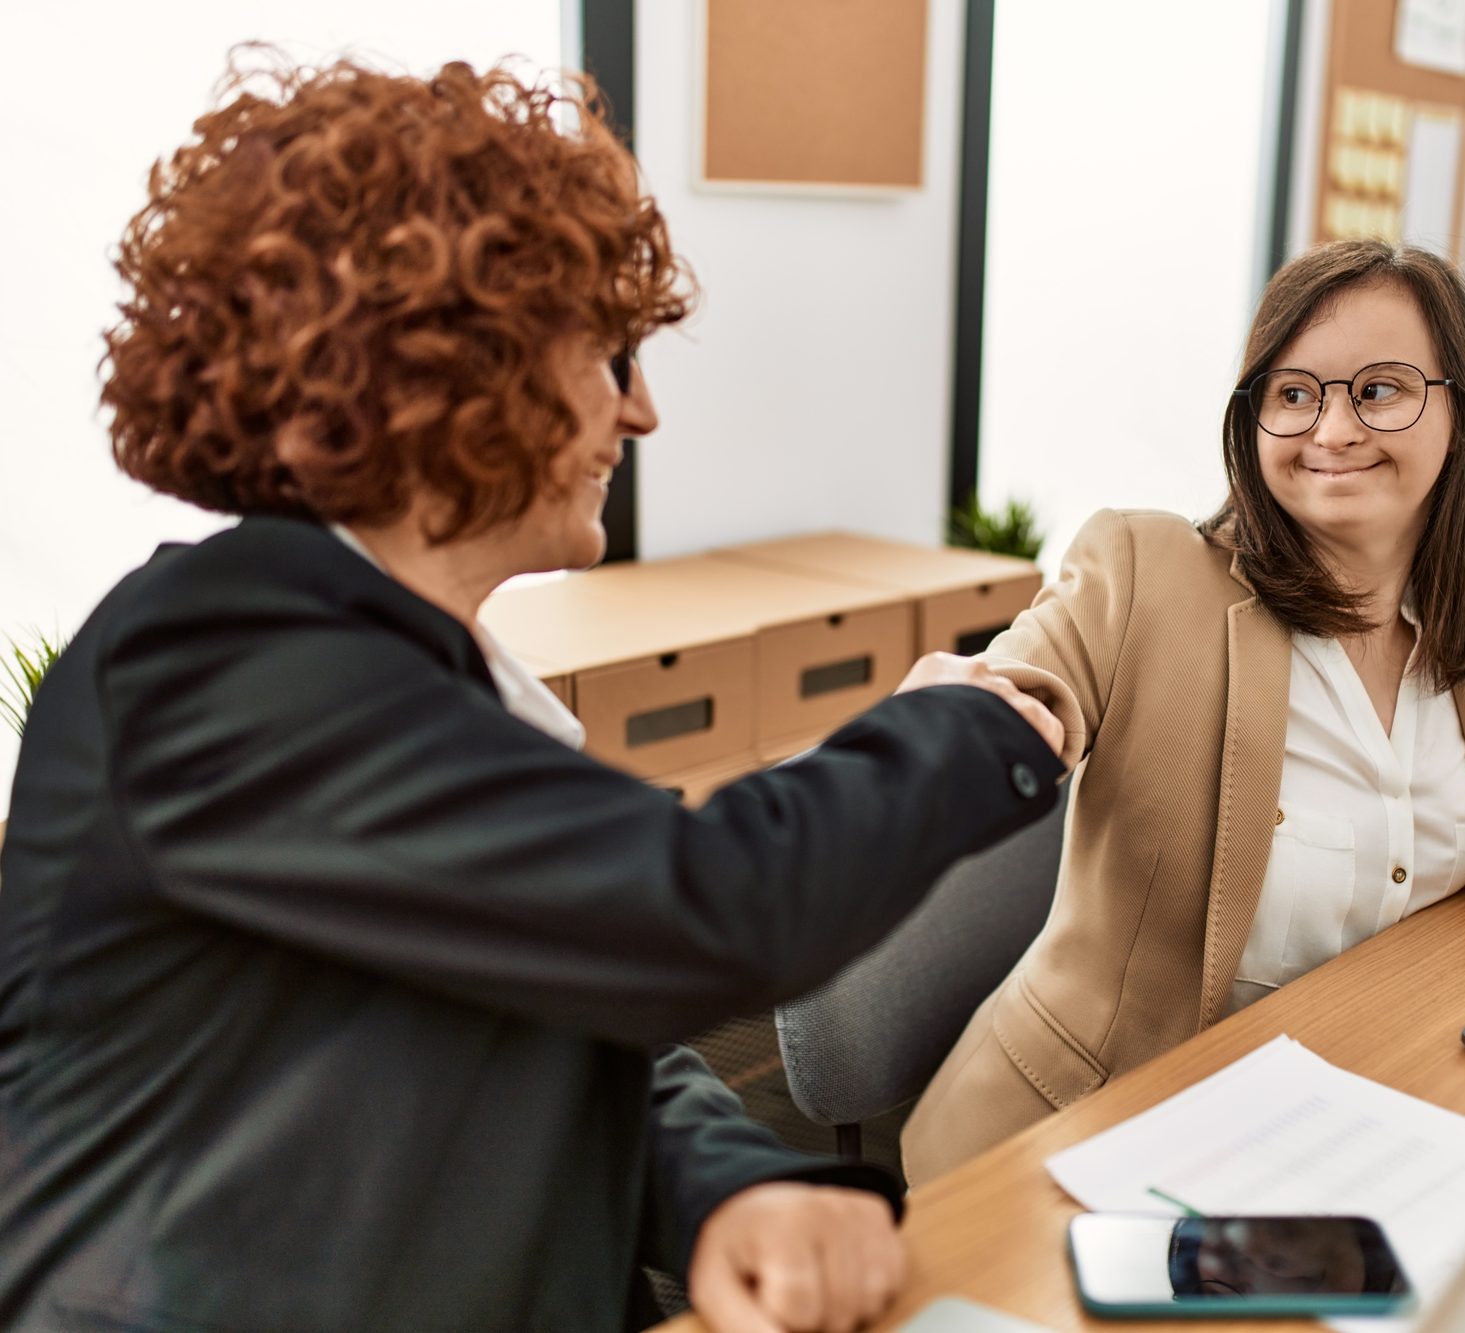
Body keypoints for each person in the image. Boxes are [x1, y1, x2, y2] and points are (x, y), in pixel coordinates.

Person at [0, 54, 1065, 1332]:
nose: (644, 412)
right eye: (611, 357)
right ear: (447, 368)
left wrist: (732, 1189)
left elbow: (568, 994)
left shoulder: (417, 669)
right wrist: (960, 725)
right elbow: (692, 913)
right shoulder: (216, 662)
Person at [900, 240, 1465, 1183]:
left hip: (1358, 1120)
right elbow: (1033, 675)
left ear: (1458, 414)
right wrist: (972, 710)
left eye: (1380, 389)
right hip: (1093, 1138)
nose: (1330, 429)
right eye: (1293, 393)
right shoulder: (1145, 572)